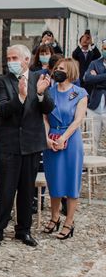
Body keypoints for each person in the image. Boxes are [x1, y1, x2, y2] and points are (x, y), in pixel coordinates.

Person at [0, 44, 54, 249]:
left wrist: (41, 94)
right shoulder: (2, 81)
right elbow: (2, 110)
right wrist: (21, 97)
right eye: (8, 58)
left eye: (14, 58)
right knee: (5, 191)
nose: (11, 62)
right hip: (8, 145)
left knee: (27, 191)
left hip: (31, 144)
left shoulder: (39, 79)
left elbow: (48, 107)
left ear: (26, 60)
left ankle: (23, 230)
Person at [42, 58, 87, 240]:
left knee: (71, 180)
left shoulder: (79, 93)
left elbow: (78, 120)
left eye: (61, 68)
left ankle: (69, 221)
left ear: (70, 72)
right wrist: (46, 138)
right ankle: (54, 217)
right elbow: (44, 118)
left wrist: (63, 138)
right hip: (51, 139)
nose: (57, 71)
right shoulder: (49, 92)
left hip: (70, 140)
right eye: (56, 68)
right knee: (54, 180)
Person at [84, 39, 106, 154]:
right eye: (105, 48)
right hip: (95, 106)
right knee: (94, 139)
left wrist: (98, 77)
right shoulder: (95, 63)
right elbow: (88, 79)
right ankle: (93, 165)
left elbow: (94, 79)